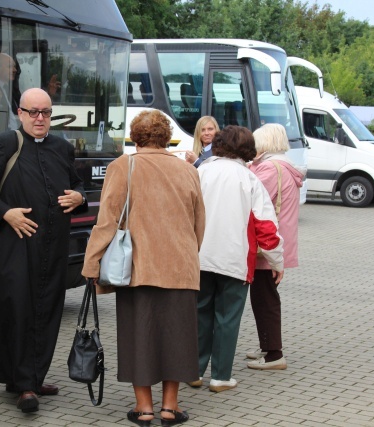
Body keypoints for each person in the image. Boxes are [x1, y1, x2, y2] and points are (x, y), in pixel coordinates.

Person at [83, 109, 206, 427]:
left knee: (140, 337)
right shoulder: (188, 170)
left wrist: (91, 262)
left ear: (134, 137)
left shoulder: (123, 165)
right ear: (167, 137)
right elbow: (198, 223)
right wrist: (188, 254)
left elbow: (107, 219)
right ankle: (170, 408)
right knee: (177, 338)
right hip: (180, 266)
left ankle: (144, 409)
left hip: (137, 267)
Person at [0, 87, 88, 413]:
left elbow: (76, 186)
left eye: (46, 113)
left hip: (53, 249)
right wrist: (5, 213)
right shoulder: (5, 144)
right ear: (20, 113)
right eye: (33, 112)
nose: (40, 118)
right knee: (18, 311)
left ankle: (32, 377)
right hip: (14, 248)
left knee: (48, 311)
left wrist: (79, 198)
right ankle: (23, 384)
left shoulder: (63, 148)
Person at [195, 125, 284, 392]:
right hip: (235, 259)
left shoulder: (200, 171)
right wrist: (277, 262)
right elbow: (266, 227)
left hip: (199, 255)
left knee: (199, 313)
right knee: (227, 318)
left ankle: (193, 370)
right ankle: (221, 376)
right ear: (247, 148)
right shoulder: (250, 179)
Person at [246, 123, 305, 370]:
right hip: (278, 243)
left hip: (267, 245)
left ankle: (274, 354)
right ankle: (267, 346)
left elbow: (251, 198)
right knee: (265, 295)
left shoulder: (270, 168)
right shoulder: (284, 166)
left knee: (265, 297)